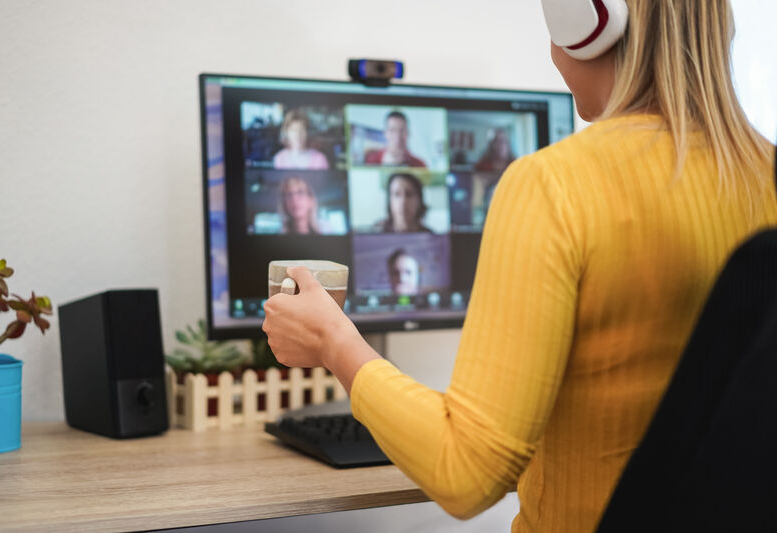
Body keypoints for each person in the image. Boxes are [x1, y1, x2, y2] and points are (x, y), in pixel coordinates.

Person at [263, 2, 777, 531]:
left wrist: (336, 343)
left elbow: (466, 473)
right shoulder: (769, 175)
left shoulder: (555, 186)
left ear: (587, 22)